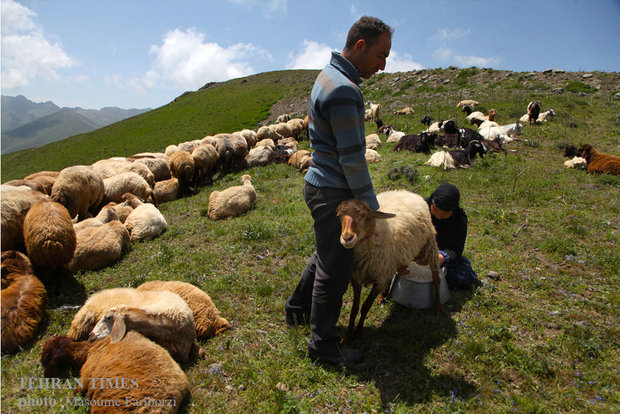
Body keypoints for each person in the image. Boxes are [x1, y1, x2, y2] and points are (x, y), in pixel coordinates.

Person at [284, 16, 393, 367]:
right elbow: (353, 160)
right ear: (360, 46)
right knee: (335, 266)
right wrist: (372, 209)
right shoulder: (345, 89)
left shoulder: (327, 75)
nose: (383, 65)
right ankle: (323, 345)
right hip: (335, 192)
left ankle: (297, 309)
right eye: (380, 55)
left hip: (319, 182)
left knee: (326, 251)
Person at [425, 183, 478, 289]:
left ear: (452, 211)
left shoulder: (458, 221)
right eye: (435, 210)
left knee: (464, 277)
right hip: (417, 251)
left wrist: (442, 257)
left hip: (439, 256)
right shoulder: (419, 208)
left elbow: (455, 250)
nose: (438, 216)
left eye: (444, 214)